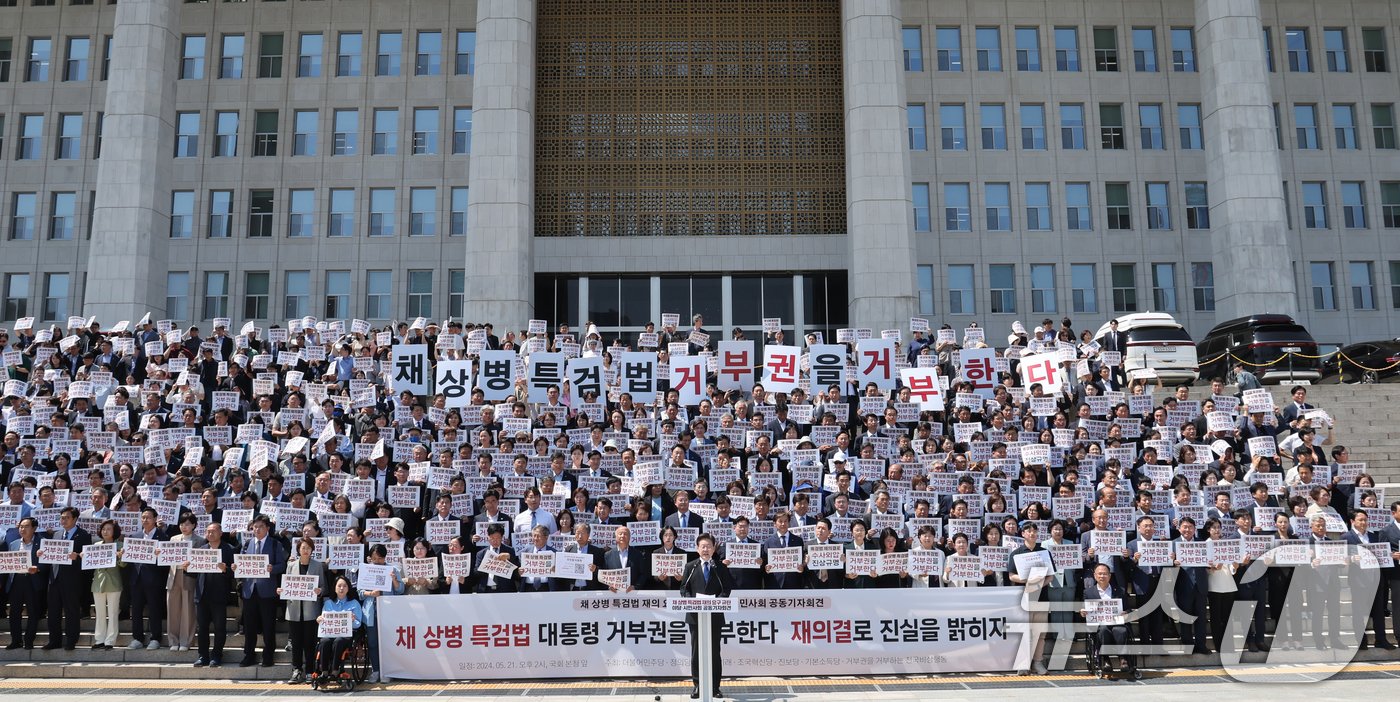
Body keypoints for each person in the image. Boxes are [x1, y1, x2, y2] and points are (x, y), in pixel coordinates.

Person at [678, 533, 732, 699]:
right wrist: (690, 601)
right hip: (695, 616)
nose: (706, 549)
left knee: (714, 651)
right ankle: (698, 686)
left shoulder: (720, 567)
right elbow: (684, 589)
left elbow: (726, 590)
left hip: (715, 616)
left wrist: (718, 602)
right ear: (697, 549)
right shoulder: (690, 566)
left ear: (714, 548)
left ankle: (715, 687)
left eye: (709, 546)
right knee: (696, 652)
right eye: (703, 546)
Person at [238, 515, 287, 668]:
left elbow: (282, 565)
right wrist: (236, 567)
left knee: (268, 625)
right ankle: (249, 654)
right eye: (254, 527)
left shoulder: (274, 544)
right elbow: (241, 563)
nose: (257, 530)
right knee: (250, 626)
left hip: (267, 591)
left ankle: (268, 655)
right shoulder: (247, 544)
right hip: (249, 590)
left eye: (260, 527)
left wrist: (273, 568)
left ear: (267, 528)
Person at [42, 506, 92, 650]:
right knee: (53, 611)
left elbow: (87, 558)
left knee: (71, 610)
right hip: (55, 578)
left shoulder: (83, 535)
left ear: (75, 519)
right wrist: (42, 553)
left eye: (67, 517)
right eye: (62, 517)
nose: (63, 520)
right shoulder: (56, 534)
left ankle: (71, 640)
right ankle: (54, 640)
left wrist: (77, 557)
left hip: (72, 579)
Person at [279, 536, 327, 684]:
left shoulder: (317, 565)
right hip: (294, 609)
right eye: (303, 548)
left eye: (308, 547)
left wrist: (319, 591)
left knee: (309, 642)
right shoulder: (291, 565)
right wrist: (281, 590)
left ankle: (310, 670)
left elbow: (324, 587)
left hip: (311, 610)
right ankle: (296, 669)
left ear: (312, 549)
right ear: (298, 549)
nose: (305, 550)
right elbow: (286, 585)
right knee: (296, 643)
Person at [193, 522, 236, 668]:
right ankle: (202, 656)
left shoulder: (229, 549)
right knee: (202, 627)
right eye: (208, 531)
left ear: (220, 533)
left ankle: (217, 655)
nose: (210, 534)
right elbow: (193, 573)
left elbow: (235, 572)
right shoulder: (201, 549)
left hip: (219, 594)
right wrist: (187, 568)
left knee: (220, 627)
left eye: (213, 531)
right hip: (202, 594)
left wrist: (226, 570)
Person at [1082, 563, 1135, 677]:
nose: (1102, 576)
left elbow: (1129, 609)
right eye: (1100, 574)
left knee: (1120, 630)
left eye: (1105, 574)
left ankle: (1123, 658)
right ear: (1095, 576)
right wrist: (1084, 612)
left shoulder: (1120, 590)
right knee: (1103, 630)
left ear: (1110, 576)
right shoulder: (1088, 592)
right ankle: (1105, 659)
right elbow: (1088, 611)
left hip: (1117, 622)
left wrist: (1126, 612)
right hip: (1100, 624)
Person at [127, 507, 169, 650]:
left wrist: (160, 556)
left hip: (154, 579)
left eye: (148, 517)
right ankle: (137, 638)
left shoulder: (163, 537)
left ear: (155, 519)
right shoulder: (134, 536)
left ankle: (155, 638)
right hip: (136, 578)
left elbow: (167, 563)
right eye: (143, 517)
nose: (145, 520)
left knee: (154, 609)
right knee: (136, 610)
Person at [162, 512, 200, 653]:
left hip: (189, 576)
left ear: (194, 525)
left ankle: (186, 640)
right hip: (173, 575)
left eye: (188, 524)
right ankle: (173, 640)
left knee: (188, 610)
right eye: (182, 524)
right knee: (173, 609)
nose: (184, 527)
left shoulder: (200, 541)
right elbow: (167, 558)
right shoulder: (173, 539)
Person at [314, 576, 365, 681]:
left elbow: (358, 624)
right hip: (330, 633)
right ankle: (323, 671)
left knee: (339, 641)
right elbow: (324, 620)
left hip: (346, 635)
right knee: (324, 641)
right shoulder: (328, 603)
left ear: (348, 588)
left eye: (344, 586)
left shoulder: (354, 603)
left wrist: (352, 620)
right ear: (335, 588)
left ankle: (335, 670)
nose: (342, 588)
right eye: (339, 586)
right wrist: (319, 619)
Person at [5, 517, 44, 650]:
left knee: (33, 612)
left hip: (32, 580)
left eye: (26, 526)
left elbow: (48, 563)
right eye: (21, 526)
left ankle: (28, 641)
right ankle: (16, 640)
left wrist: (37, 568)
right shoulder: (13, 544)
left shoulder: (41, 543)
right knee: (14, 612)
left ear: (34, 528)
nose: (22, 529)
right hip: (16, 580)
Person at [89, 519, 124, 650]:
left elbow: (123, 565)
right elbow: (90, 563)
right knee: (100, 613)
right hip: (98, 582)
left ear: (115, 531)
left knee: (113, 612)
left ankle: (110, 640)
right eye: (103, 529)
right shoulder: (96, 544)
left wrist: (120, 556)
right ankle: (99, 639)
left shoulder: (119, 545)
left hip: (114, 582)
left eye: (109, 529)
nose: (105, 531)